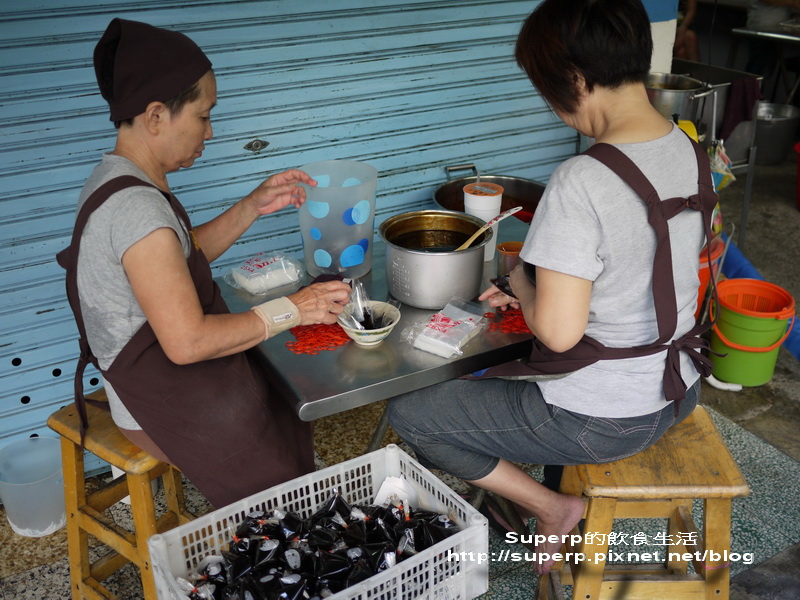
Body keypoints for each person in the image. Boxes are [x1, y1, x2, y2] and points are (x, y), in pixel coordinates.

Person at [388, 0, 718, 575]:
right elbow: (646, 258)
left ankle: (552, 506)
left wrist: (521, 276)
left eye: (546, 88)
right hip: (680, 386)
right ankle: (541, 485)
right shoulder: (684, 145)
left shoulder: (584, 177)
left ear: (574, 78)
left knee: (413, 412)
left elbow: (560, 336)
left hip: (606, 419)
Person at [57, 18, 352, 509]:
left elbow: (174, 261)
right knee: (280, 476)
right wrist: (295, 308)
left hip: (156, 376)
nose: (209, 132)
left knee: (274, 391)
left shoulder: (114, 176)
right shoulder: (137, 209)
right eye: (203, 115)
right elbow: (188, 343)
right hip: (157, 400)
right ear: (156, 115)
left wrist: (251, 207)